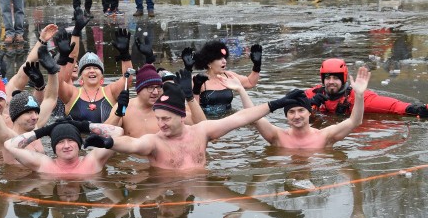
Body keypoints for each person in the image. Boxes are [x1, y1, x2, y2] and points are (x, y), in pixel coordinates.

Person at [86, 81, 307, 170]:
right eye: (158, 118)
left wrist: (275, 104)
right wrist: (109, 143)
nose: (160, 124)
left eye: (166, 119)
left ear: (182, 117)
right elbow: (132, 146)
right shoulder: (153, 141)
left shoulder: (202, 131)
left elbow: (240, 118)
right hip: (164, 186)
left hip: (204, 185)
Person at [228, 67, 371, 149]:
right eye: (291, 112)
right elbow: (254, 118)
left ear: (309, 112)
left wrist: (359, 94)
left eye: (301, 110)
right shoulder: (277, 137)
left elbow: (355, 121)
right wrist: (241, 90)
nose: (296, 116)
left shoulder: (325, 136)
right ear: (286, 117)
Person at [0, 44, 61, 162]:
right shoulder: (7, 138)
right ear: (16, 116)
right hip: (19, 180)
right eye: (29, 112)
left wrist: (52, 72)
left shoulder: (35, 127)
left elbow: (50, 99)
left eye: (35, 112)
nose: (34, 117)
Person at [58, 25, 136, 123]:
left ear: (102, 77)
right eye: (87, 68)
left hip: (107, 137)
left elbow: (127, 80)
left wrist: (125, 56)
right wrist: (62, 59)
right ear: (80, 77)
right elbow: (57, 83)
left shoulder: (110, 91)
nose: (92, 70)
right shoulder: (72, 93)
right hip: (78, 137)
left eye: (95, 68)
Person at [304, 58, 428, 118]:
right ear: (322, 79)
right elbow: (289, 107)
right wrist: (307, 106)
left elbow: (392, 106)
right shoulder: (312, 94)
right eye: (327, 78)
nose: (331, 82)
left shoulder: (358, 97)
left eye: (336, 78)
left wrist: (417, 109)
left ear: (343, 79)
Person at [4, 119, 124, 174]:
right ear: (54, 147)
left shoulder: (93, 160)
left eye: (71, 140)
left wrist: (82, 126)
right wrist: (44, 131)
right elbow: (9, 145)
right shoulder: (44, 164)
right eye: (60, 142)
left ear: (79, 144)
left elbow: (118, 132)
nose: (66, 146)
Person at [192, 41, 262, 117]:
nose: (224, 61)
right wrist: (196, 89)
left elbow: (250, 82)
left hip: (229, 119)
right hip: (208, 121)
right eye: (219, 58)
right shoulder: (198, 80)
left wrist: (257, 66)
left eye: (224, 58)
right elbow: (191, 109)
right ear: (209, 63)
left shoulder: (229, 76)